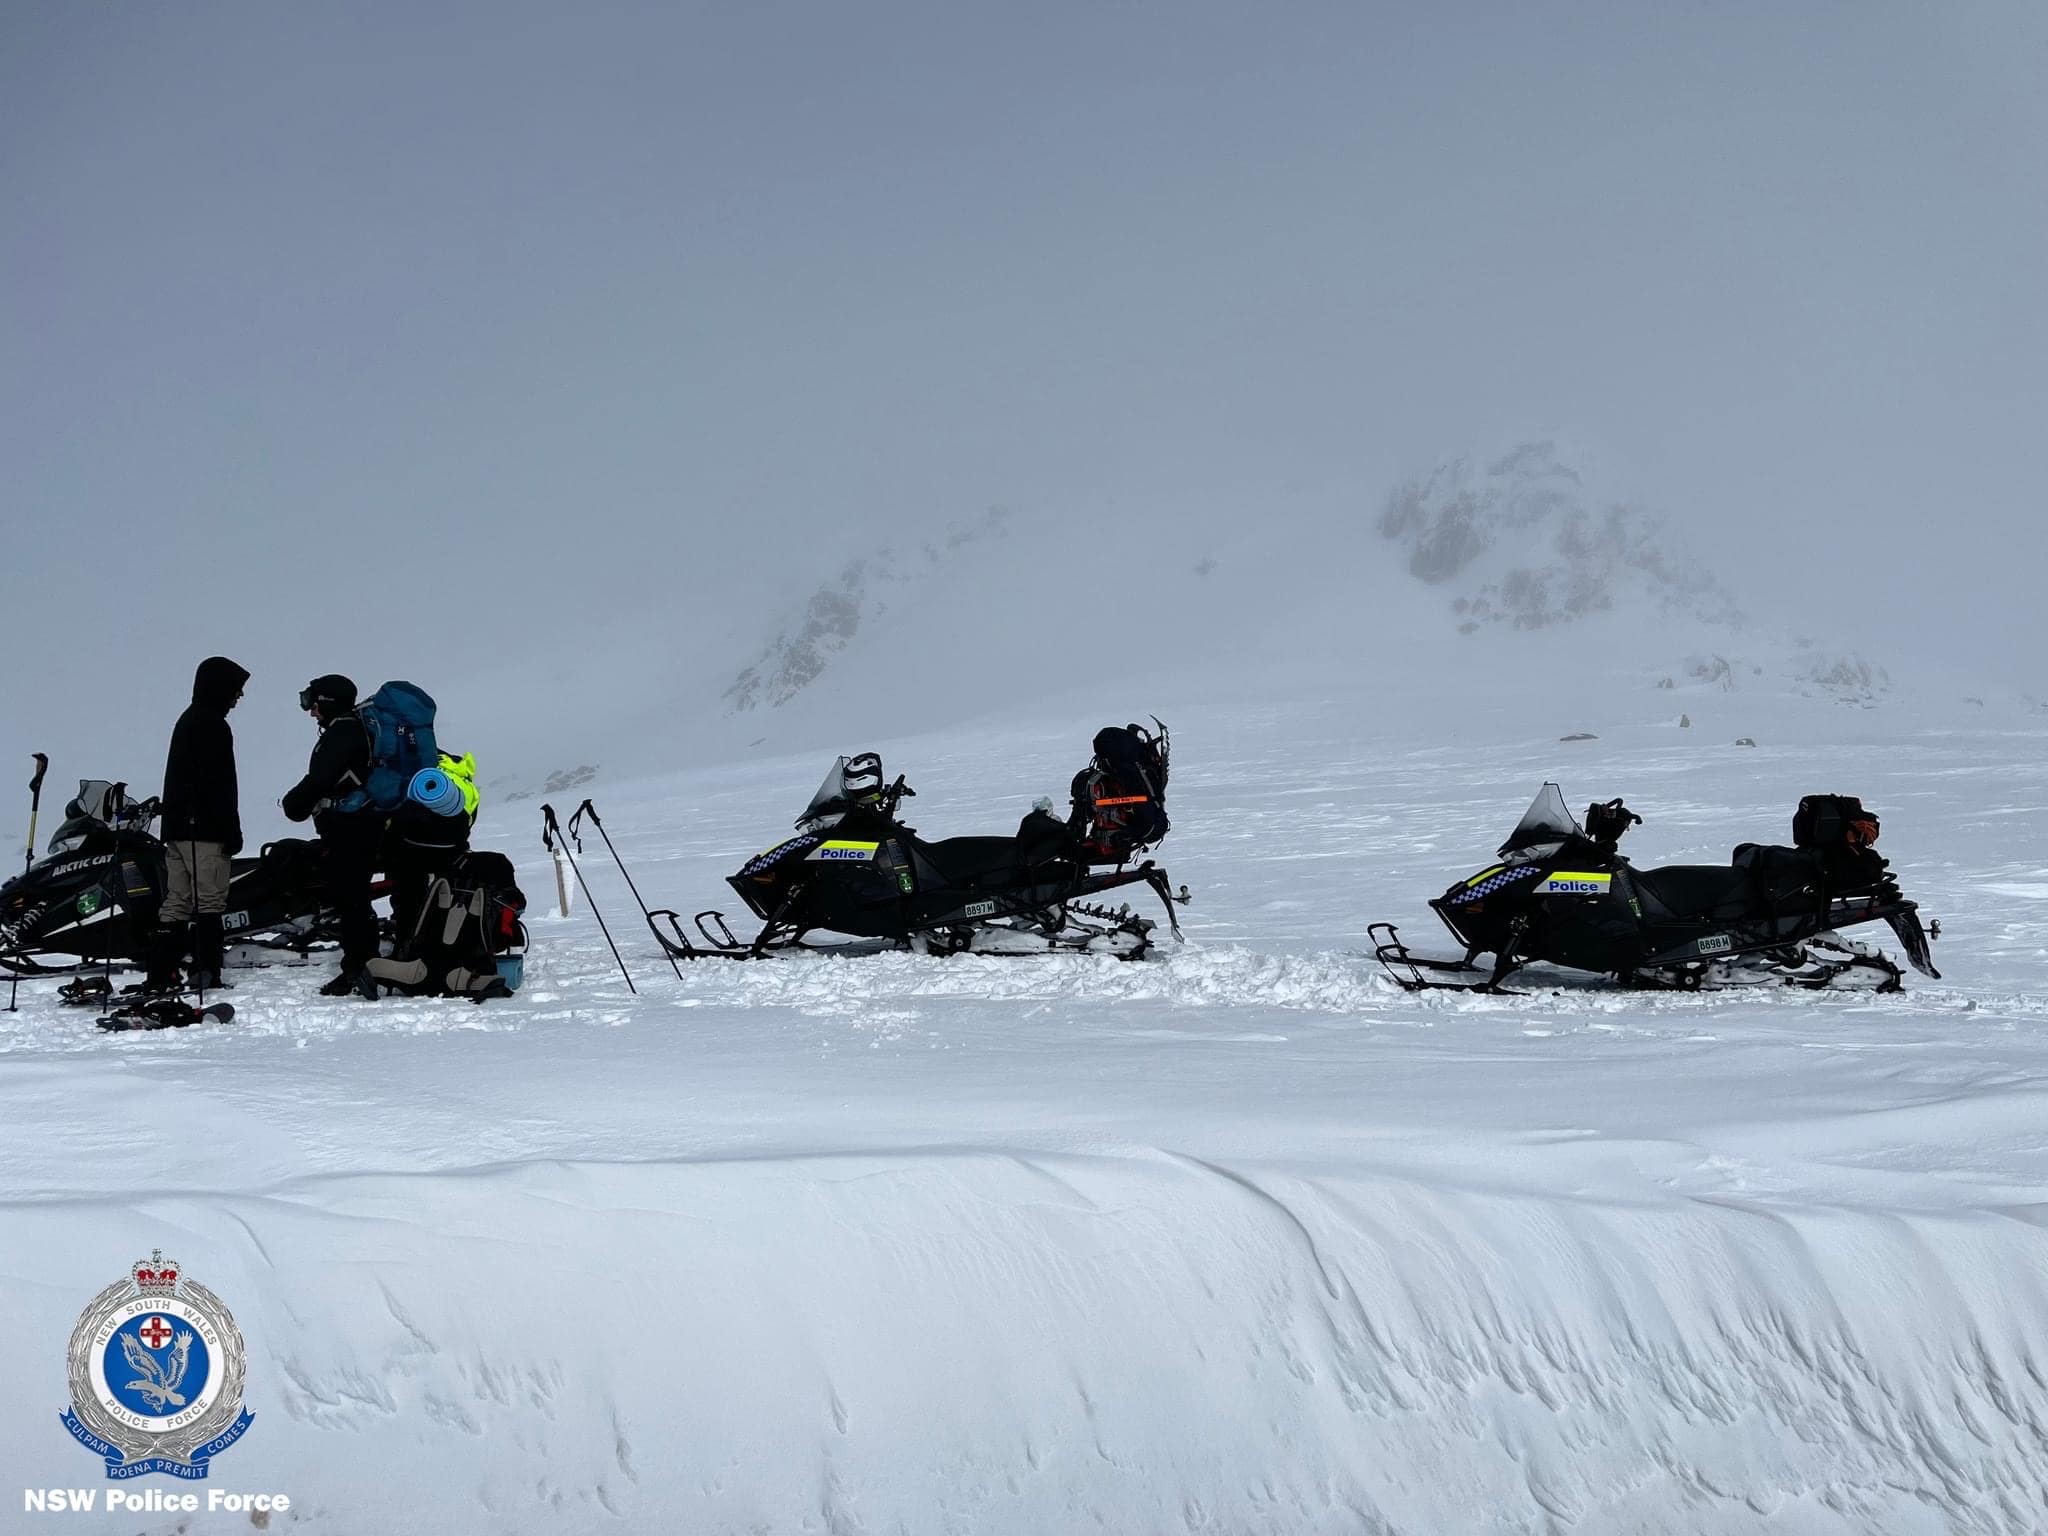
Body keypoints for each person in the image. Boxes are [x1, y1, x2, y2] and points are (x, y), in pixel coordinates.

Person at [147, 656, 249, 992]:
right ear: (220, 688)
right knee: (209, 902)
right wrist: (230, 830)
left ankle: (161, 971)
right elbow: (219, 785)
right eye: (236, 690)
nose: (238, 698)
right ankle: (206, 971)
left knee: (176, 900)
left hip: (177, 830)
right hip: (204, 831)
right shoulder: (213, 724)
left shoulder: (188, 720)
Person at [281, 674, 382, 996]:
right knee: (353, 895)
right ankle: (364, 962)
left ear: (326, 701)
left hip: (350, 828)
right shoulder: (354, 729)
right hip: (360, 825)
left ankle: (359, 968)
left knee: (351, 897)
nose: (310, 710)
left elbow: (320, 778)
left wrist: (293, 804)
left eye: (311, 701)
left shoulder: (343, 731)